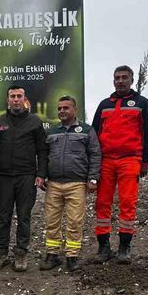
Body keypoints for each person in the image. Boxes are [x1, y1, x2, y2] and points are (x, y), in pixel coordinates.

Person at [91, 66, 148, 265]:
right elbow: (93, 134)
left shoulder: (142, 104)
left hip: (130, 159)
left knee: (128, 203)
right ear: (113, 81)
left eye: (124, 77)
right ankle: (103, 247)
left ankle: (124, 247)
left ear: (131, 80)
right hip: (106, 160)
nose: (120, 81)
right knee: (102, 203)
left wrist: (145, 161)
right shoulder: (104, 105)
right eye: (117, 78)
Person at [0, 86, 48, 272]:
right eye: (12, 96)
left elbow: (43, 150)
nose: (16, 99)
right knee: (4, 216)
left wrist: (41, 174)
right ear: (7, 100)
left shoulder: (35, 122)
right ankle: (1, 254)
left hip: (26, 176)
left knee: (24, 217)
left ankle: (21, 254)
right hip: (4, 177)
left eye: (19, 96)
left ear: (25, 99)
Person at [39, 96, 101, 272]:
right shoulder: (52, 132)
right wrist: (42, 175)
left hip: (77, 184)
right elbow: (44, 156)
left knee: (74, 222)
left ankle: (72, 256)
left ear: (75, 110)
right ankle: (52, 255)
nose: (62, 111)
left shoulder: (87, 130)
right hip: (54, 184)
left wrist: (93, 178)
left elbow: (95, 155)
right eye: (59, 108)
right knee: (51, 221)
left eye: (66, 108)